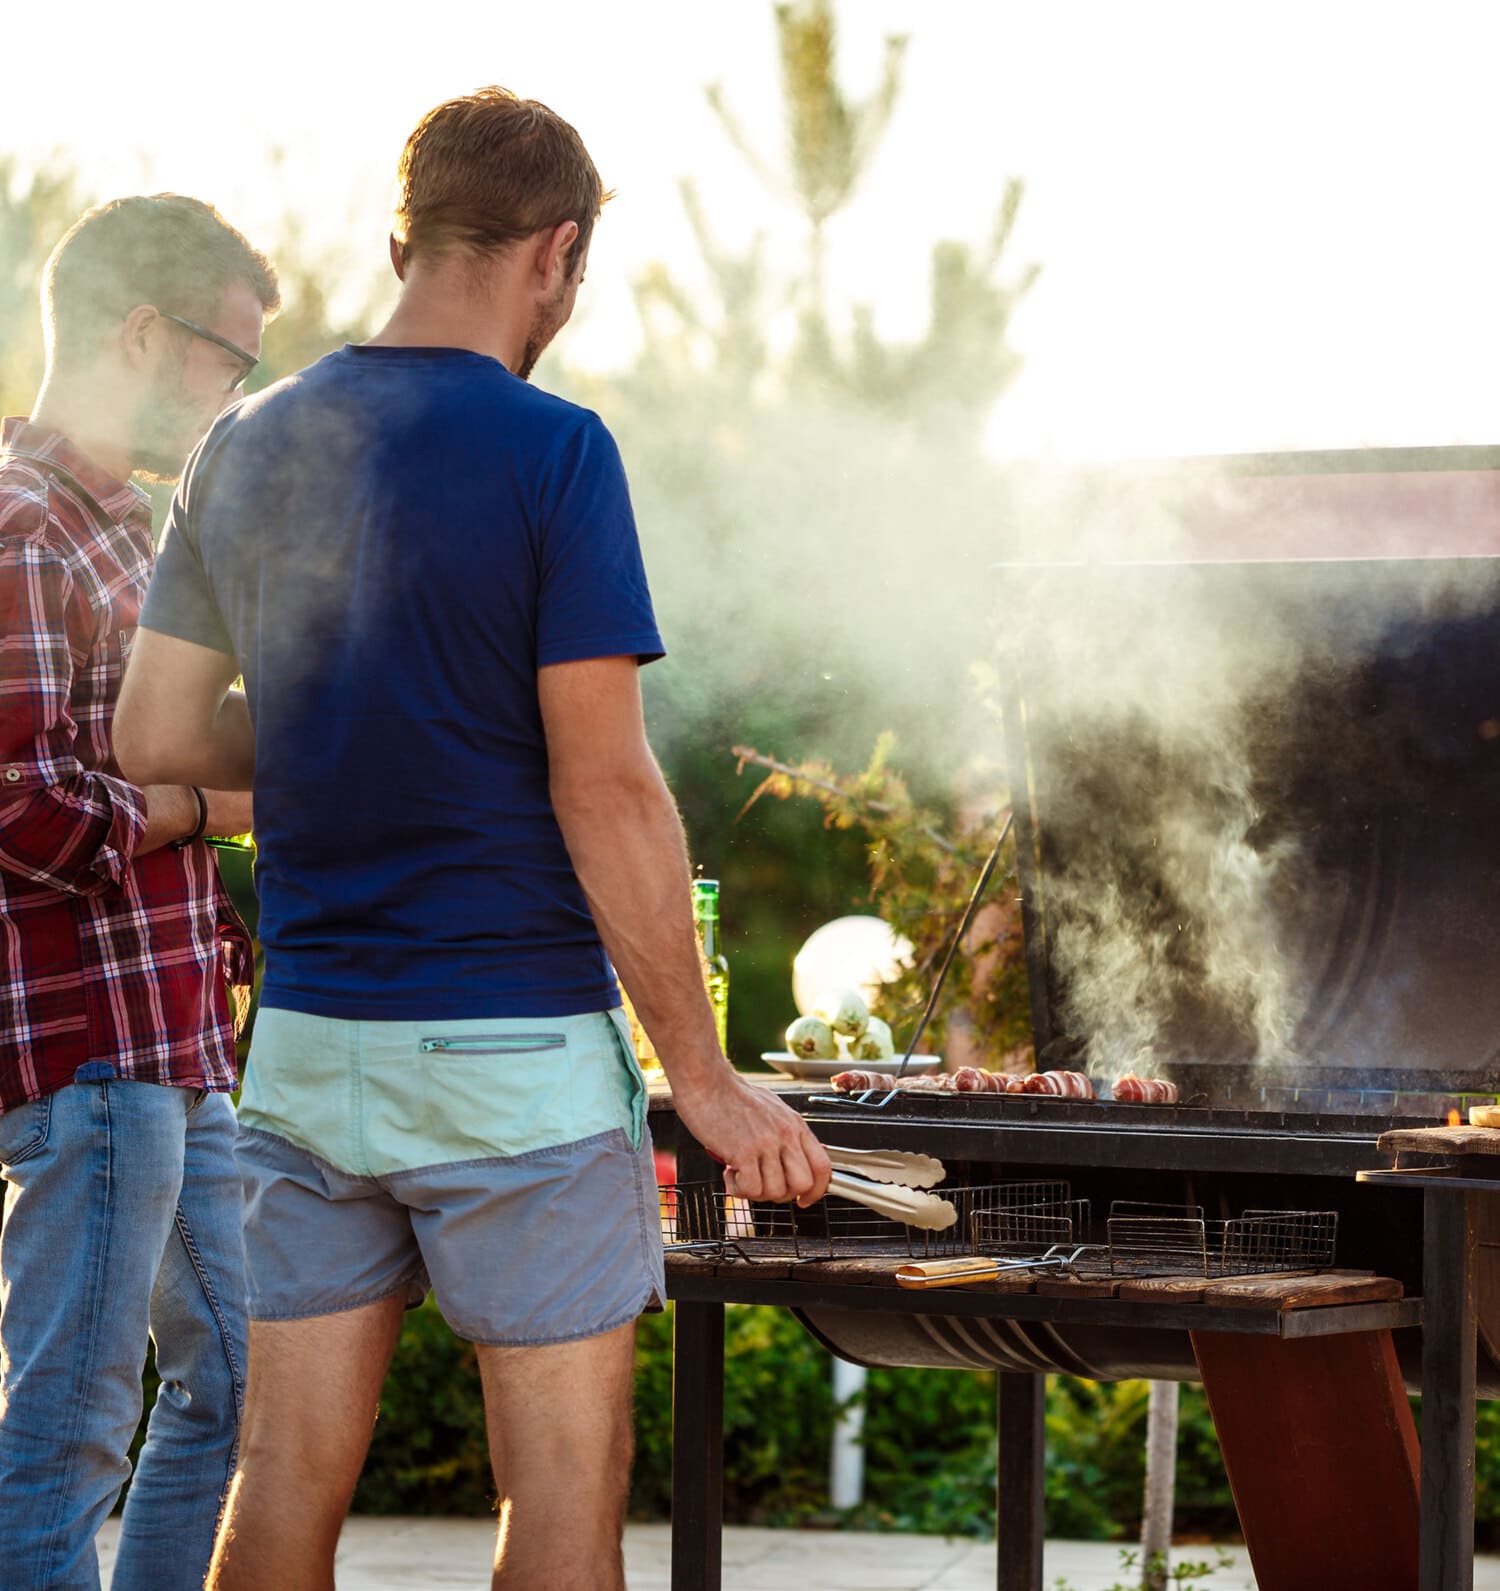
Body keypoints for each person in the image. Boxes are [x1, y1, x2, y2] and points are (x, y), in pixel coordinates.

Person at [113, 88, 832, 1591]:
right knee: (560, 1520)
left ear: (404, 238)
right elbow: (609, 788)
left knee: (283, 1486)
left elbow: (159, 737)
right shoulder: (551, 452)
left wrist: (338, 740)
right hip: (513, 1060)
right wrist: (699, 1077)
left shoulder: (241, 447)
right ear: (556, 255)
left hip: (307, 1053)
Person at [0, 194, 277, 1591]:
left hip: (178, 1047)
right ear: (141, 333)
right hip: (91, 1055)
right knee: (67, 1440)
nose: (239, 400)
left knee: (240, 1386)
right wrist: (207, 807)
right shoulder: (23, 525)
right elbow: (17, 809)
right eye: (231, 362)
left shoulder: (131, 531)